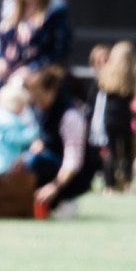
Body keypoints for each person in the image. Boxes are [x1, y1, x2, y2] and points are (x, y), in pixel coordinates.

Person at [25, 65, 97, 215]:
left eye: (38, 96)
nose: (35, 102)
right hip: (54, 164)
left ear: (52, 90)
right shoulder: (42, 112)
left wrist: (55, 186)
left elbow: (73, 160)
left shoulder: (70, 116)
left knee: (35, 161)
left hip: (74, 175)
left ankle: (64, 199)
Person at [92, 42, 136, 190]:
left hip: (109, 117)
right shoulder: (131, 75)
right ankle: (127, 183)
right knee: (127, 152)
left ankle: (109, 185)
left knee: (110, 152)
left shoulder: (106, 72)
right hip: (125, 118)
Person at [0, 71, 40, 175]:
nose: (23, 110)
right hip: (5, 165)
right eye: (22, 106)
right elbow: (17, 138)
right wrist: (35, 131)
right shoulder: (10, 121)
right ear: (14, 104)